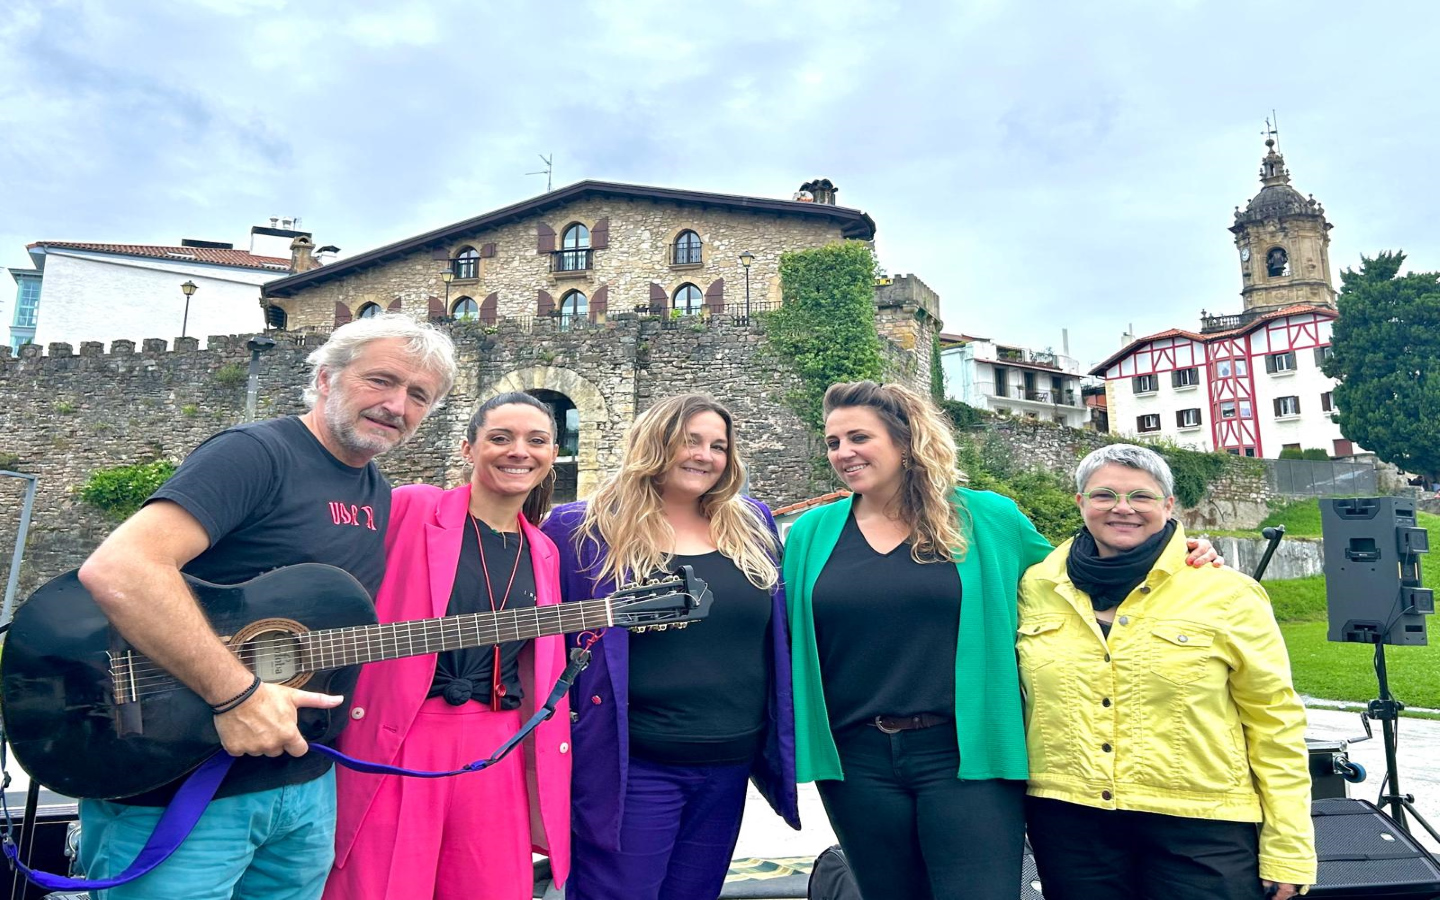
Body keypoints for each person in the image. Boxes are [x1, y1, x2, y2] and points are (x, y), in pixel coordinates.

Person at [783, 381, 1221, 900]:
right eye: (833, 442)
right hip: (855, 762)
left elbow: (1078, 578)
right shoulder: (811, 533)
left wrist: (1176, 553)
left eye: (859, 437)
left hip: (967, 755)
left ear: (905, 441)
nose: (844, 453)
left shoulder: (987, 518)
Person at [75, 313, 457, 900]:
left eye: (418, 395)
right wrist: (238, 694)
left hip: (303, 784)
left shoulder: (375, 490)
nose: (396, 405)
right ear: (326, 377)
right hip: (184, 783)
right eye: (381, 380)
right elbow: (122, 568)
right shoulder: (256, 454)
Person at [1018, 444, 1315, 900]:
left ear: (1169, 505)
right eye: (1104, 495)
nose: (1123, 508)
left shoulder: (1228, 594)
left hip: (1201, 825)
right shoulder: (1034, 587)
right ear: (1080, 502)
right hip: (1071, 825)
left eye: (1141, 496)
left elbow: (1274, 721)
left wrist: (1288, 847)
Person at [541, 394, 798, 900]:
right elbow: (544, 641)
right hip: (633, 767)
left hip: (728, 764)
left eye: (718, 446)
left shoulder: (752, 524)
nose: (705, 455)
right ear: (654, 443)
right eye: (690, 441)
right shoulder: (581, 529)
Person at [324, 392, 570, 900]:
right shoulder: (413, 507)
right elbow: (337, 584)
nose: (518, 451)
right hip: (404, 731)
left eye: (536, 440)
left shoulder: (543, 550)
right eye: (500, 438)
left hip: (497, 743)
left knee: (492, 888)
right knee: (381, 886)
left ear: (552, 454)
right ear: (468, 448)